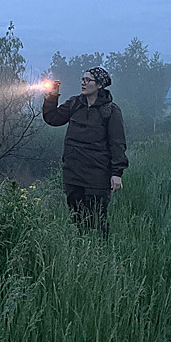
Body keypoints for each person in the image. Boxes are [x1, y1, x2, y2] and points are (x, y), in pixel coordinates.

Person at [42, 66, 128, 238]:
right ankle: (82, 250)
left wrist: (116, 173)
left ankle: (100, 251)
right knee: (77, 217)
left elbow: (117, 143)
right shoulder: (74, 103)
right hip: (73, 172)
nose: (83, 83)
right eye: (82, 79)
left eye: (88, 80)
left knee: (97, 218)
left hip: (97, 174)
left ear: (99, 85)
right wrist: (52, 97)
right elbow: (53, 119)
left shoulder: (110, 110)